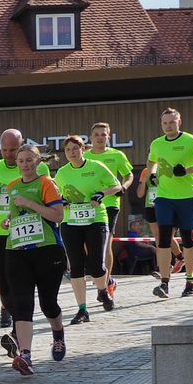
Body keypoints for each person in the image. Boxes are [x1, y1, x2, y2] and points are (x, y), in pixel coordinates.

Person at [0, 143, 69, 375]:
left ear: (37, 161)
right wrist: (9, 218)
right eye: (21, 161)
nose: (25, 165)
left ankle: (58, 334)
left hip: (47, 249)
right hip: (17, 249)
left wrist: (30, 204)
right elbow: (19, 211)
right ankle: (25, 355)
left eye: (29, 160)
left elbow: (57, 215)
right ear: (16, 164)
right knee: (22, 303)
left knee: (48, 303)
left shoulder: (46, 183)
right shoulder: (12, 186)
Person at [0, 129, 48, 329]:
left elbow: (50, 202)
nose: (8, 154)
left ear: (22, 145)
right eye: (4, 149)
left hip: (28, 233)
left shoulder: (39, 168)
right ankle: (11, 313)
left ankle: (18, 328)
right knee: (3, 285)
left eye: (13, 149)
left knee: (23, 284)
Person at [146, 107, 193, 298]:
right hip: (164, 197)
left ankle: (190, 280)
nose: (168, 126)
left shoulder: (191, 141)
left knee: (187, 238)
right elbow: (151, 162)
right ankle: (164, 283)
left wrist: (187, 170)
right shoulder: (157, 143)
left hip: (186, 197)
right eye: (165, 123)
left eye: (172, 122)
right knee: (163, 238)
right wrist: (152, 174)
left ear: (179, 122)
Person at [54, 135, 120, 323]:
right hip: (71, 221)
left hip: (95, 219)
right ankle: (82, 309)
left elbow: (116, 185)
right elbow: (55, 194)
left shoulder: (96, 167)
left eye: (75, 149)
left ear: (83, 149)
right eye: (68, 150)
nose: (72, 153)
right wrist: (62, 201)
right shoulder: (62, 173)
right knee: (76, 266)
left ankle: (103, 290)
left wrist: (102, 193)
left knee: (96, 264)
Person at [86, 122, 133, 300]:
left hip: (110, 203)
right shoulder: (85, 157)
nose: (100, 137)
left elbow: (128, 174)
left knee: (105, 243)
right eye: (96, 134)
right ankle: (106, 278)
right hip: (88, 205)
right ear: (90, 138)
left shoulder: (117, 155)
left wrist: (124, 186)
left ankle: (104, 285)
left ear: (108, 137)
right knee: (90, 246)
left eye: (103, 134)